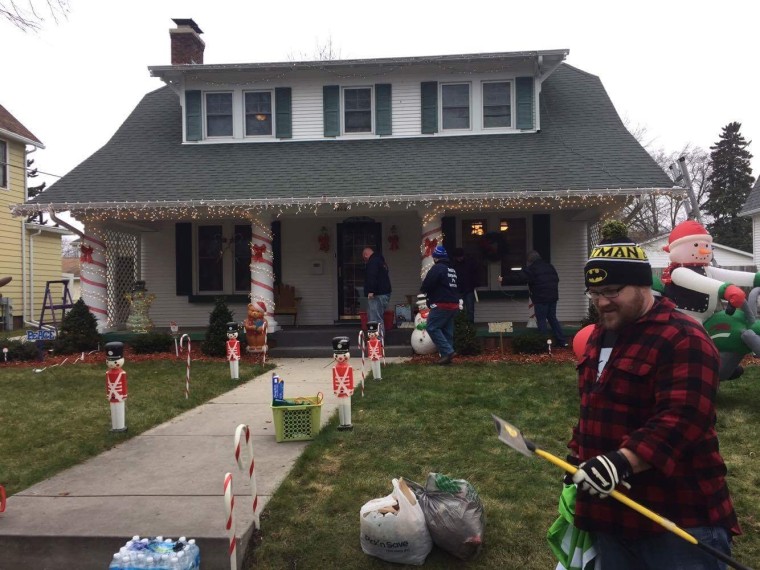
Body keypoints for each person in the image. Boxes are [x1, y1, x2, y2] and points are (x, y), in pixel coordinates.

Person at [568, 232, 740, 569]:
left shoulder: (683, 337)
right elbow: (595, 405)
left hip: (678, 519)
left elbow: (684, 418)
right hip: (614, 517)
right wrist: (579, 453)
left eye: (612, 292)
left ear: (643, 285)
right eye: (596, 294)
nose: (602, 303)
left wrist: (621, 462)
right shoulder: (601, 336)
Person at [518, 250, 567, 347]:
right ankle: (562, 341)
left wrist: (504, 279)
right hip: (553, 297)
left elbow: (520, 278)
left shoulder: (532, 268)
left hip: (541, 298)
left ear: (530, 260)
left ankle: (544, 343)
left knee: (541, 320)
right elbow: (556, 279)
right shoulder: (549, 266)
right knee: (552, 318)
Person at [420, 245, 459, 365]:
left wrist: (425, 290)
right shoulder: (451, 269)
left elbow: (426, 285)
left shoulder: (437, 269)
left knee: (432, 327)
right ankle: (447, 359)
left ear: (436, 258)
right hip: (453, 304)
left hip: (442, 304)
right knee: (447, 331)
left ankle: (448, 351)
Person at [362, 247, 392, 326]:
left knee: (374, 319)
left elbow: (372, 276)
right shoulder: (381, 261)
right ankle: (379, 336)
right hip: (385, 293)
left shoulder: (372, 262)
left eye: (364, 259)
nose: (365, 261)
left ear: (365, 255)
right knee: (379, 317)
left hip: (377, 294)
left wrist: (371, 291)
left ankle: (377, 337)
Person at [452, 247, 480, 323]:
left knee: (470, 309)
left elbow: (476, 274)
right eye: (458, 257)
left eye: (460, 256)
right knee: (458, 310)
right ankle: (459, 326)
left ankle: (470, 326)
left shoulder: (470, 263)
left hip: (468, 289)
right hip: (458, 289)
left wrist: (474, 284)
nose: (459, 258)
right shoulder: (453, 265)